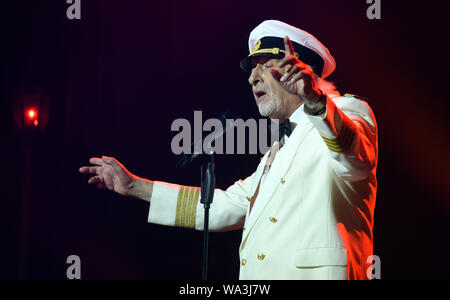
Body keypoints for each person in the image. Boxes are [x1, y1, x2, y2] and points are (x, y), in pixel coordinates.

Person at [79, 20, 378, 280]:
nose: (251, 78)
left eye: (263, 66)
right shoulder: (277, 151)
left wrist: (315, 101)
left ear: (302, 71)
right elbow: (221, 207)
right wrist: (135, 186)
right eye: (251, 70)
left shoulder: (348, 110)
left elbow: (355, 160)